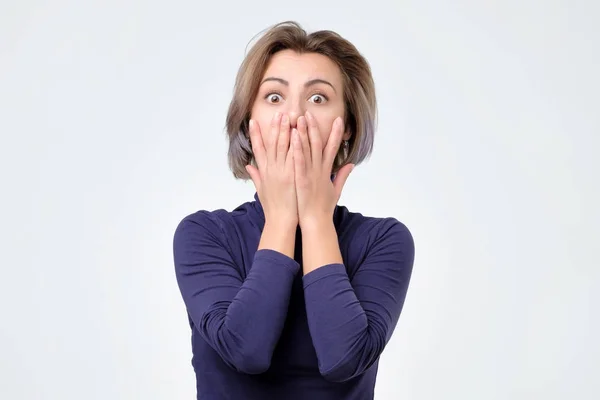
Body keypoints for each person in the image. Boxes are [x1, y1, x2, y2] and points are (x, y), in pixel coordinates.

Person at [173, 21, 415, 400]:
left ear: (347, 125)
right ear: (249, 121)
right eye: (274, 97)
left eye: (318, 98)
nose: (294, 117)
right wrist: (283, 218)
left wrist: (316, 219)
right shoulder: (205, 234)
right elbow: (245, 349)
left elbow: (343, 358)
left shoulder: (382, 240)